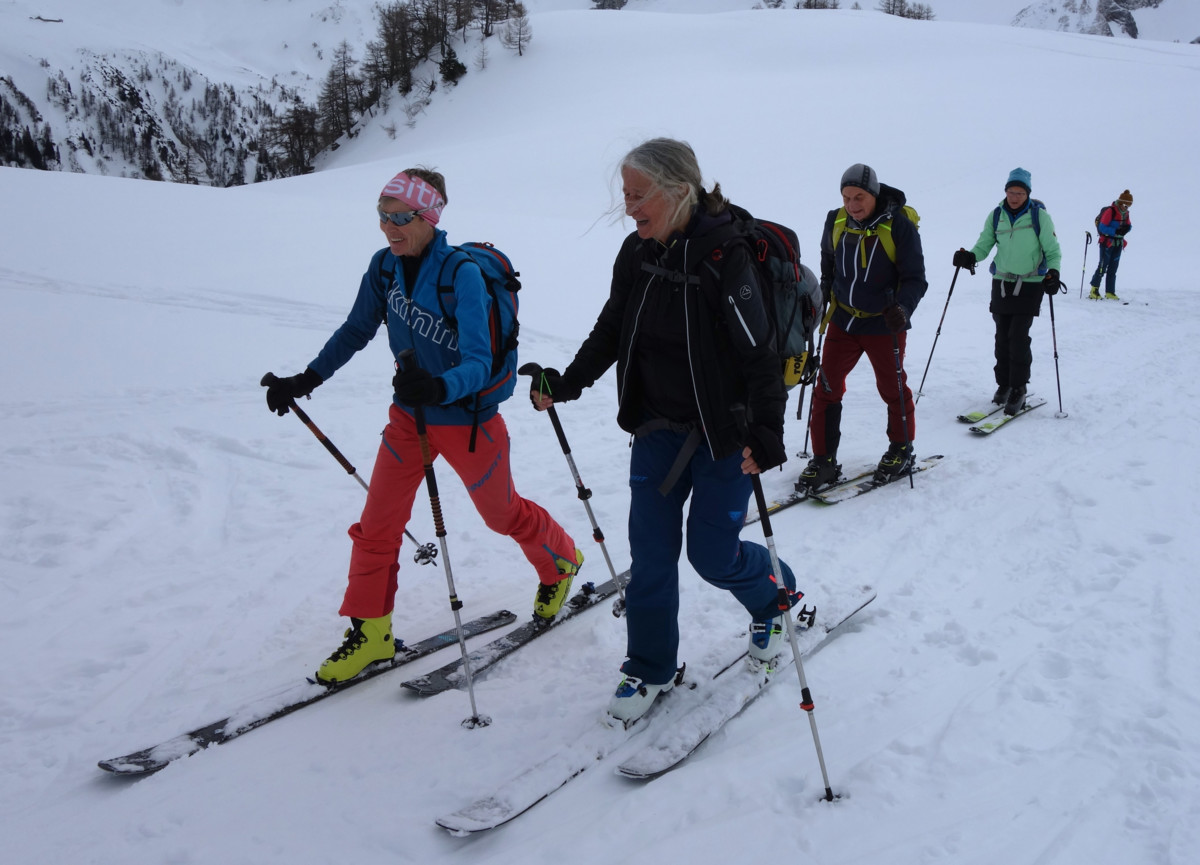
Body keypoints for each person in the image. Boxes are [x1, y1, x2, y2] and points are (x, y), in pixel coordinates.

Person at [262, 167, 582, 685]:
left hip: (467, 420)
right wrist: (307, 378)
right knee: (377, 526)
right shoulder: (383, 267)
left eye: (400, 217)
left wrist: (438, 387)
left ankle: (561, 560)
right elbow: (356, 329)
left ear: (428, 216)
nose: (388, 227)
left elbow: (479, 361)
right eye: (382, 216)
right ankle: (372, 632)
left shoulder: (462, 274)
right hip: (408, 418)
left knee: (501, 515)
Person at [528, 138, 798, 726]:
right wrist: (568, 381)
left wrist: (767, 430)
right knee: (650, 555)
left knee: (712, 555)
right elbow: (612, 327)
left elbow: (760, 355)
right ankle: (650, 666)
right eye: (624, 194)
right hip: (655, 428)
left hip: (723, 435)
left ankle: (774, 597)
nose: (628, 207)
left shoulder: (726, 257)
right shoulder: (637, 252)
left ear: (678, 191)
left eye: (637, 194)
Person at [797, 163, 928, 492]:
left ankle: (901, 450)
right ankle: (824, 460)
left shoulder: (898, 226)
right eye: (846, 197)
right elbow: (828, 264)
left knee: (892, 388)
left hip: (885, 323)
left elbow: (915, 279)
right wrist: (822, 296)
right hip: (843, 320)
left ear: (874, 194)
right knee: (826, 388)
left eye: (859, 197)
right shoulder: (836, 220)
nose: (852, 205)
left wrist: (902, 308)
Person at [953, 167, 1064, 416]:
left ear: (1027, 194)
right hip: (1002, 283)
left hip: (1031, 283)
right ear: (1005, 191)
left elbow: (1053, 250)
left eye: (1020, 193)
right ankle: (1004, 384)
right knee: (1002, 337)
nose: (1014, 197)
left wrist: (1054, 273)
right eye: (1011, 192)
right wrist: (970, 256)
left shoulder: (1039, 217)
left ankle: (1019, 387)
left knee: (1018, 336)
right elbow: (984, 245)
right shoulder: (996, 215)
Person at [1088, 190, 1133, 300]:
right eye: (1125, 205)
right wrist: (1116, 231)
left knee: (1113, 268)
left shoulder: (1126, 214)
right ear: (1121, 202)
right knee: (1102, 267)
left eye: (1128, 206)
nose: (1126, 208)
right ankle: (1094, 290)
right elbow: (1102, 227)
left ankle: (1110, 292)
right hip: (1107, 243)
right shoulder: (1110, 211)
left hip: (1118, 243)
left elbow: (1129, 225)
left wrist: (1127, 229)